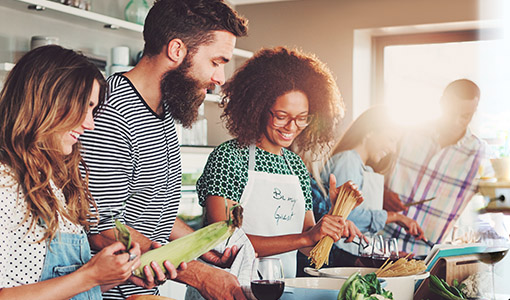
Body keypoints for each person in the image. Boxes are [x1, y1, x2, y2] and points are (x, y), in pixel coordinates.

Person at [78, 0, 250, 299]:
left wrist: (199, 245)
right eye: (216, 61)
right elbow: (101, 227)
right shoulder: (111, 114)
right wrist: (199, 275)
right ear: (176, 50)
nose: (220, 79)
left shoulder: (164, 112)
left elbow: (152, 210)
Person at [197, 46, 365, 279]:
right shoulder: (229, 158)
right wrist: (306, 237)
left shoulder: (295, 166)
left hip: (279, 288)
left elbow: (308, 247)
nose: (291, 127)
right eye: (282, 116)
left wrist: (334, 220)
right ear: (257, 108)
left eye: (301, 118)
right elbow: (222, 243)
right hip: (224, 290)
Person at [0, 45, 143, 299]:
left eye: (93, 109)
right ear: (47, 101)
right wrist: (90, 275)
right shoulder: (5, 182)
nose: (90, 123)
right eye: (84, 106)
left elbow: (69, 289)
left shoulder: (53, 184)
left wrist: (118, 273)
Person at [383, 79, 489, 255]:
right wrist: (381, 193)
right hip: (380, 244)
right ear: (442, 103)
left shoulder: (479, 154)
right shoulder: (408, 132)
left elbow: (495, 197)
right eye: (451, 112)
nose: (456, 122)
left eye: (465, 116)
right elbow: (371, 170)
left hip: (428, 254)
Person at [309, 106, 424, 263]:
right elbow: (344, 218)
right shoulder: (348, 160)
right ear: (369, 131)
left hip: (352, 254)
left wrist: (382, 251)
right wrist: (395, 217)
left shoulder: (363, 167)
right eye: (391, 140)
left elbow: (358, 230)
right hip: (338, 257)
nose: (392, 149)